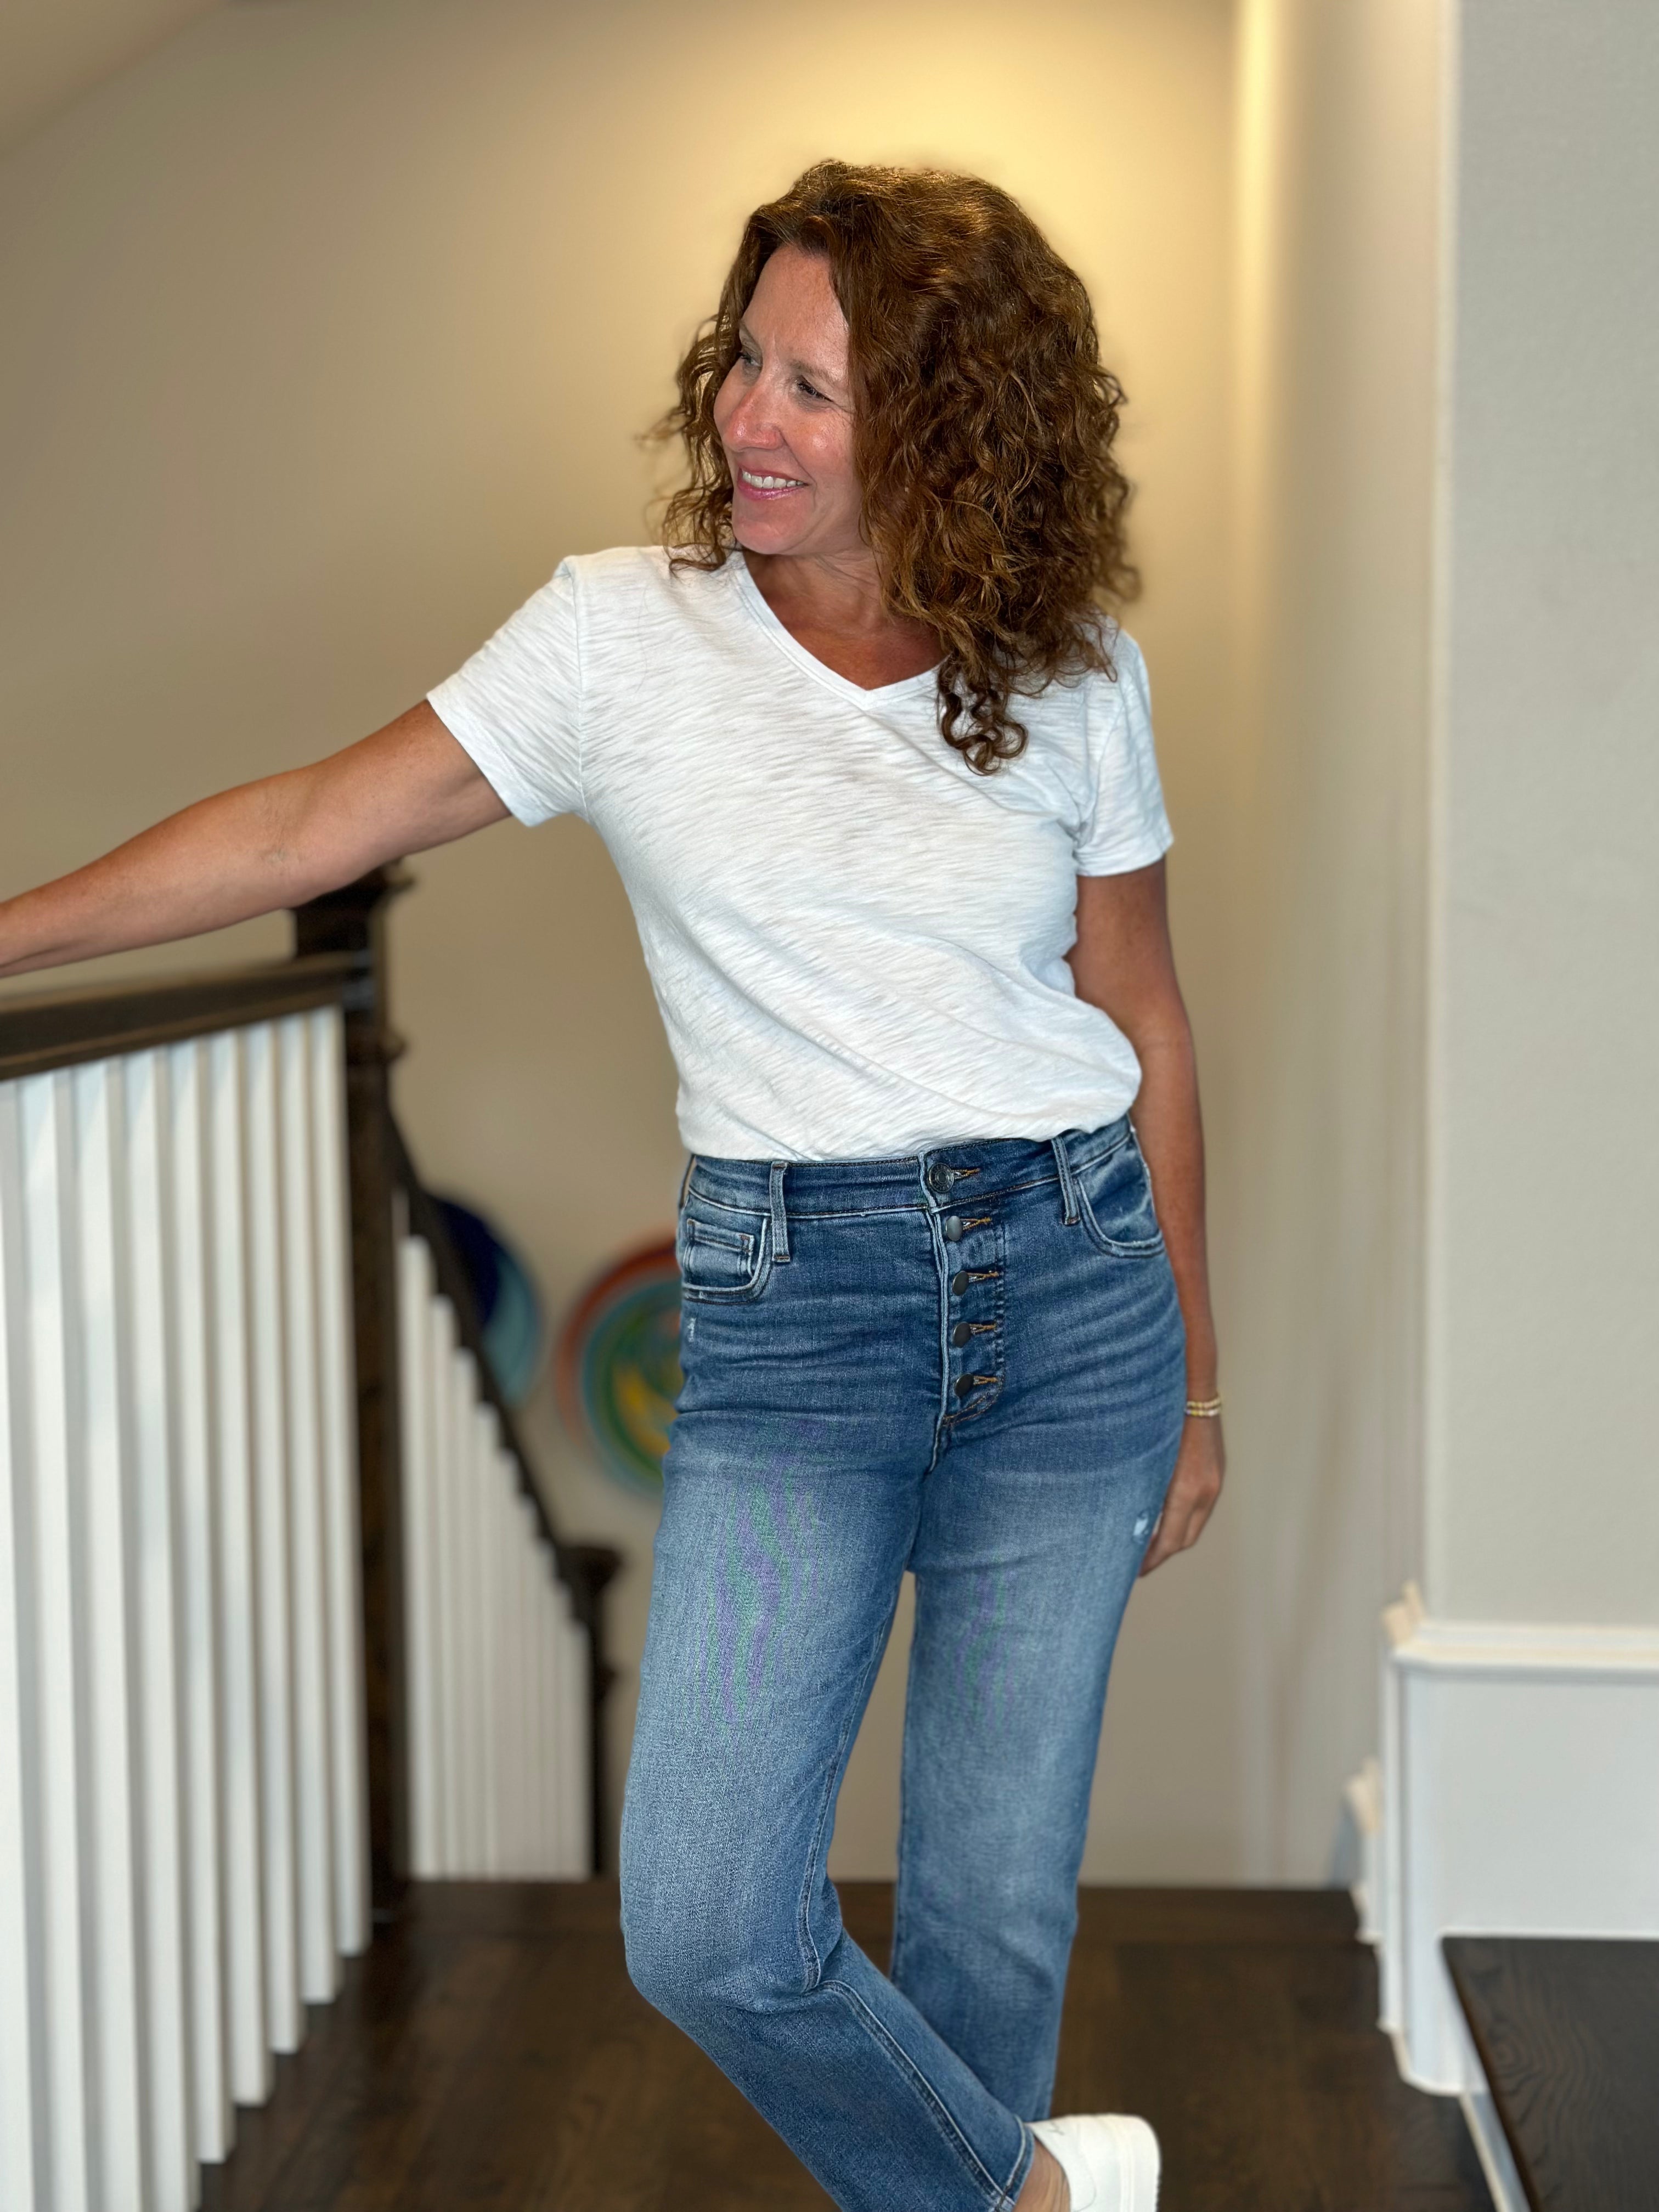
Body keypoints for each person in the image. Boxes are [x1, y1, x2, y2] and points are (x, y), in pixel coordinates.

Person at [0, 160, 1223, 2212]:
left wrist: (1198, 1381)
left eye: (816, 387)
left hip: (1078, 1284)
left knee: (994, 1914)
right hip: (794, 1315)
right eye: (747, 360)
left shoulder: (1072, 668)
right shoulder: (617, 640)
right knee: (708, 1916)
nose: (749, 416)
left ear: (949, 423)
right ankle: (1027, 2196)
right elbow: (307, 825)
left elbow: (1150, 1020)